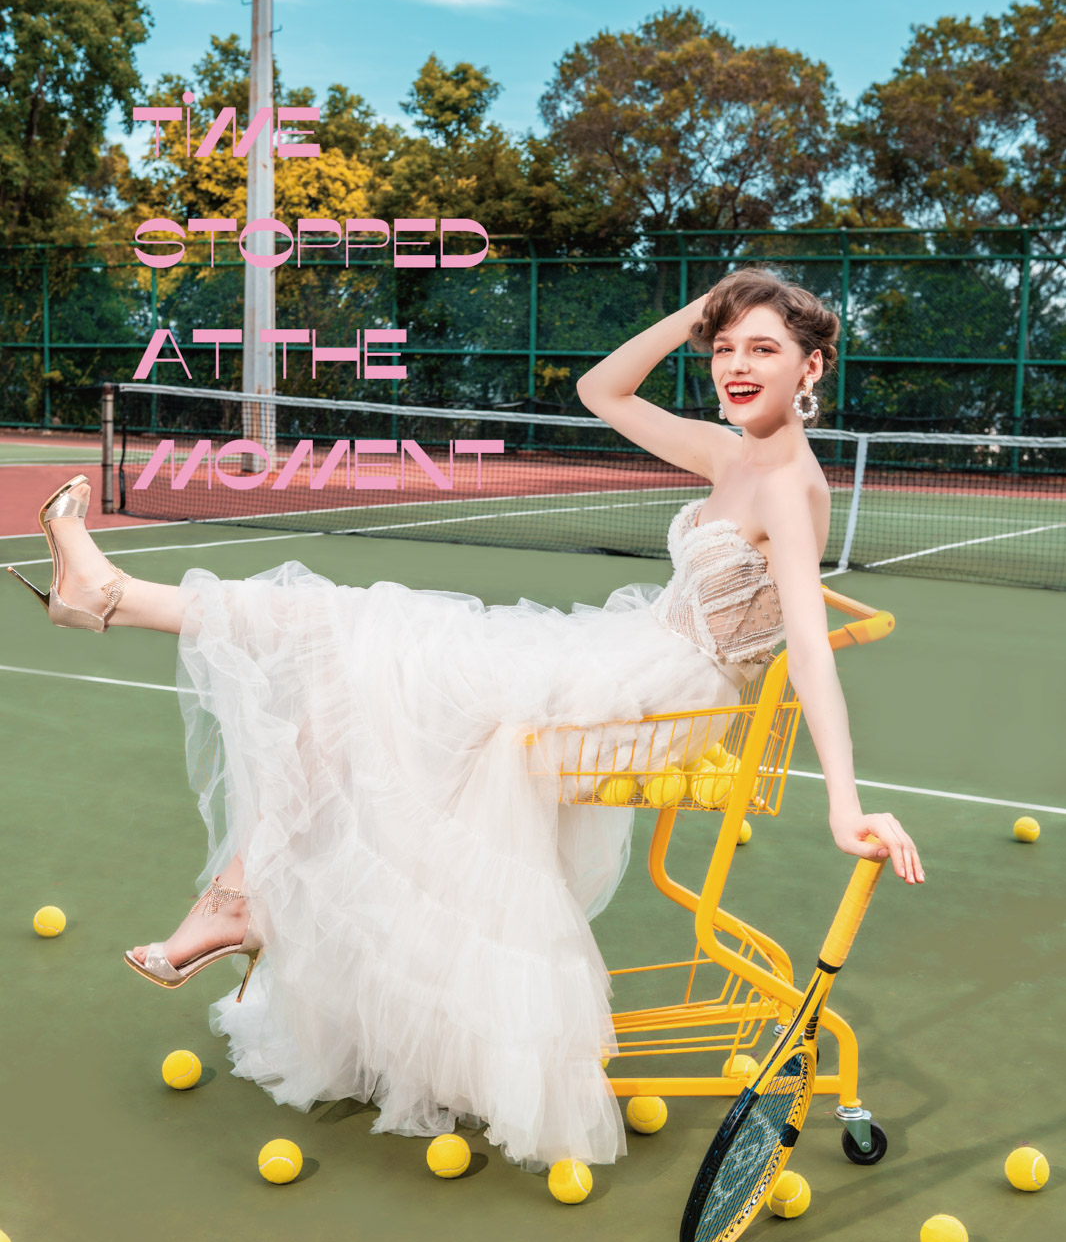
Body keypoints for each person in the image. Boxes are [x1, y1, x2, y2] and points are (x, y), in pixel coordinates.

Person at [7, 267, 921, 1174]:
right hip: (620, 659)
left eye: (763, 349)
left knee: (366, 642)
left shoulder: (789, 484)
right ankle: (233, 883)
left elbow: (808, 649)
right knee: (347, 659)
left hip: (652, 699)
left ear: (811, 366)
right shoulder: (731, 453)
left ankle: (122, 624)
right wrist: (703, 305)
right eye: (724, 348)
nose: (736, 365)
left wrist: (845, 804)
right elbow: (602, 391)